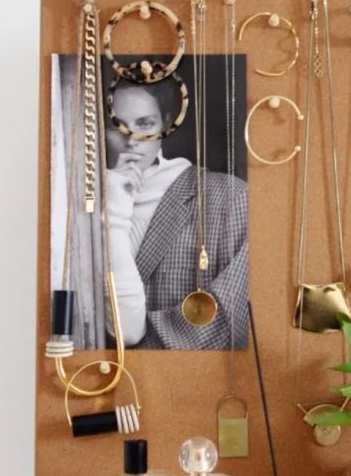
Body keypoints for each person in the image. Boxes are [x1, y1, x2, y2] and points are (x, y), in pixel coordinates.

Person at [104, 78, 248, 349]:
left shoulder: (230, 198)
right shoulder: (84, 203)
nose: (132, 140)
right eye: (117, 125)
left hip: (183, 375)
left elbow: (229, 319)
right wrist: (112, 208)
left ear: (166, 125)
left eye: (145, 124)